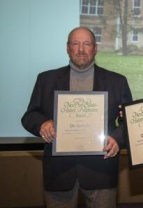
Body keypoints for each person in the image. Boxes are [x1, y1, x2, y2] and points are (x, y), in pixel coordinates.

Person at [21, 27, 132, 208]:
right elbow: (29, 115)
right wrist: (42, 124)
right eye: (75, 43)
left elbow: (128, 120)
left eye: (87, 44)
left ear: (95, 49)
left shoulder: (117, 82)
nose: (81, 49)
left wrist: (118, 139)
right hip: (59, 172)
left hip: (102, 170)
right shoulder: (46, 79)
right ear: (67, 48)